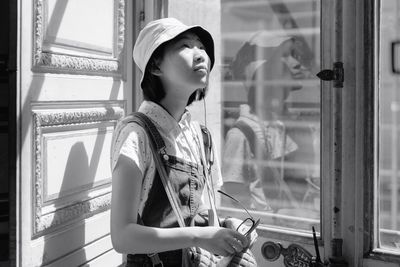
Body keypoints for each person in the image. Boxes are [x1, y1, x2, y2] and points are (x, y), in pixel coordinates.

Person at [110, 18, 256, 267]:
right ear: (155, 66)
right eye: (185, 46)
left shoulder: (202, 137)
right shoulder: (137, 135)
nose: (200, 55)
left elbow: (197, 213)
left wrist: (224, 228)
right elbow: (122, 237)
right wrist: (200, 236)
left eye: (201, 47)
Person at [222, 32, 315, 212]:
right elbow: (235, 194)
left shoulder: (283, 126)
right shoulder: (241, 134)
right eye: (284, 57)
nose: (296, 64)